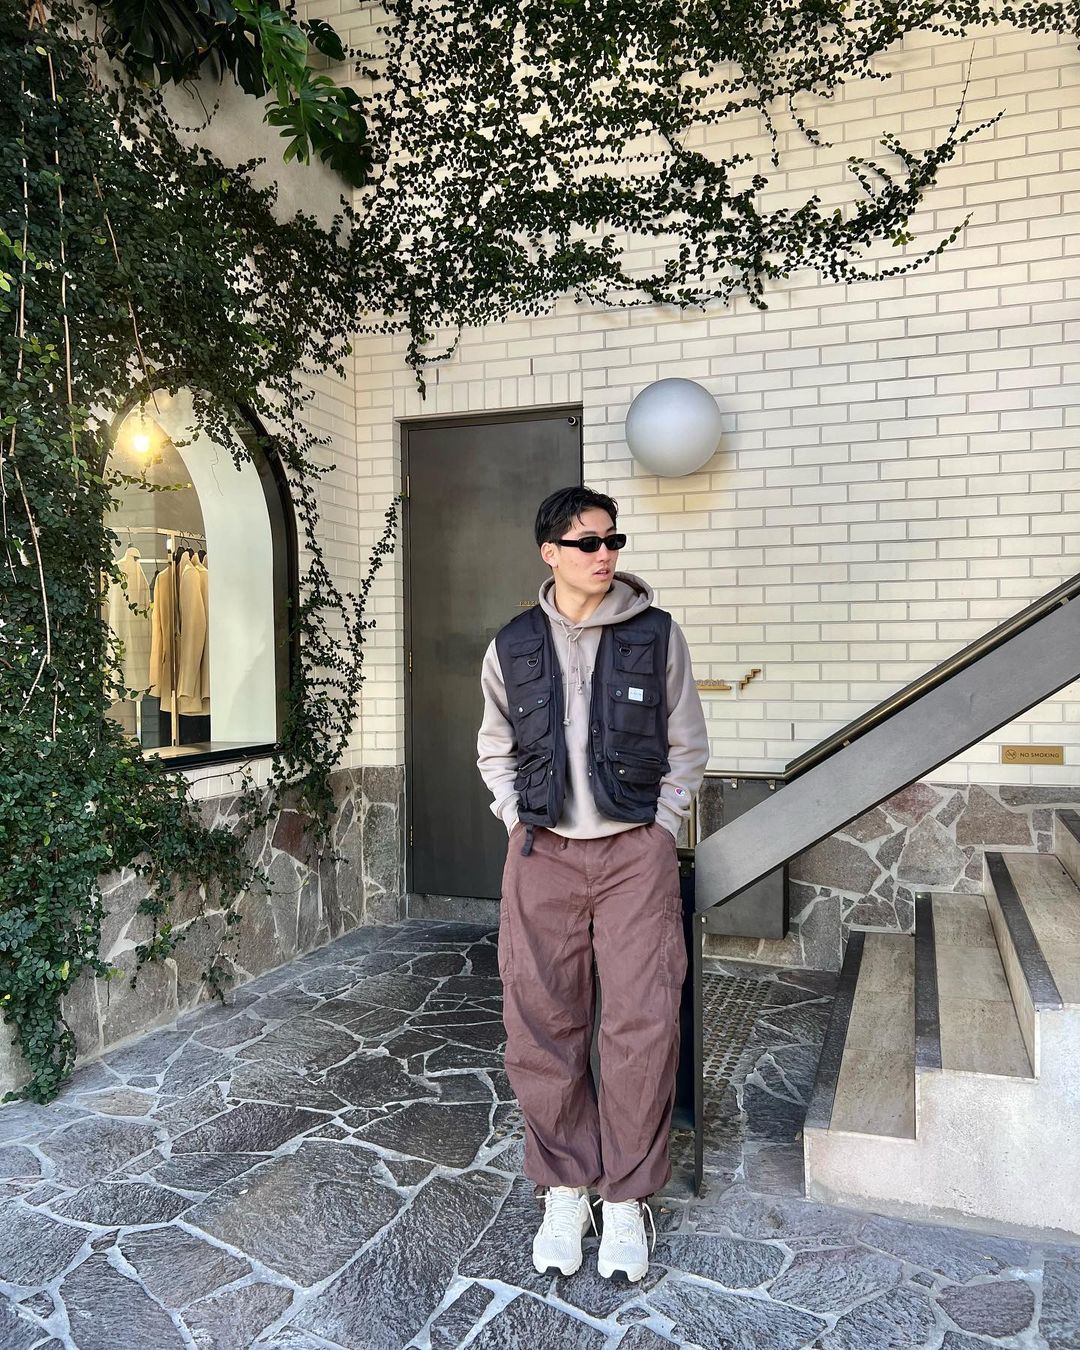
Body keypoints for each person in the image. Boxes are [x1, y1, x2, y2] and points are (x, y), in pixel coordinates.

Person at [477, 485, 709, 1282]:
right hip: (542, 853)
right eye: (587, 543)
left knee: (643, 1023)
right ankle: (567, 1189)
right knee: (541, 1024)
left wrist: (662, 827)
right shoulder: (512, 644)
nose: (604, 554)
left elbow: (687, 743)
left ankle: (626, 1199)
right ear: (550, 553)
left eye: (612, 540)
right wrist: (515, 817)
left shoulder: (656, 634)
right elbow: (494, 744)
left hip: (633, 856)